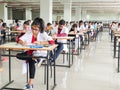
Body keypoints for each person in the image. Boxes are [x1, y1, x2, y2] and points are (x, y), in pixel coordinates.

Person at [16, 17, 54, 89]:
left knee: (31, 61)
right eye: (32, 28)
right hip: (31, 52)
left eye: (36, 29)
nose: (33, 31)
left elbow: (52, 42)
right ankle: (35, 58)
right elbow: (19, 39)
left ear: (40, 29)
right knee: (18, 55)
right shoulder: (29, 32)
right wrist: (22, 42)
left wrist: (41, 42)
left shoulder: (43, 34)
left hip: (41, 52)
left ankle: (30, 83)